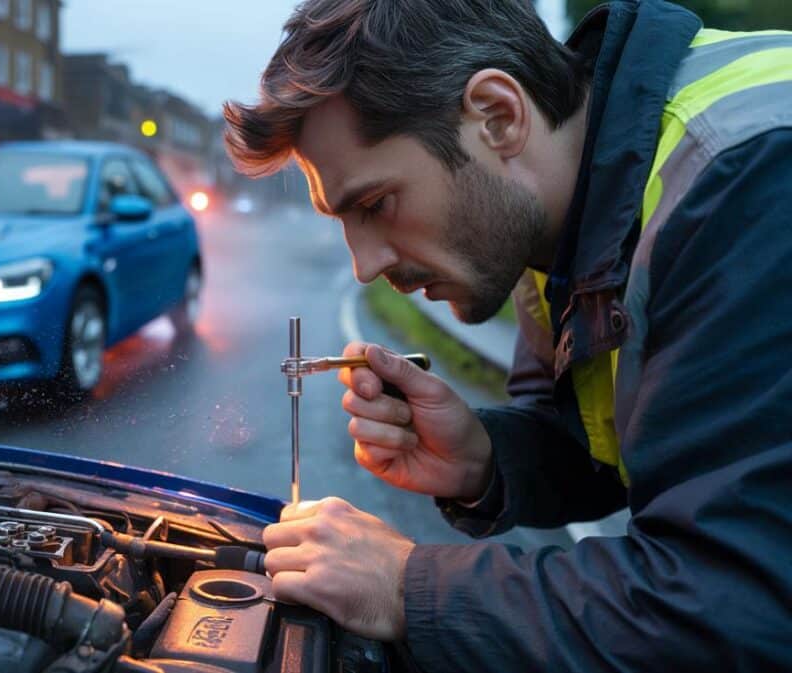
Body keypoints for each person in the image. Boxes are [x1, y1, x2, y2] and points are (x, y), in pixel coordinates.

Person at [222, 0, 792, 669]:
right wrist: (486, 460)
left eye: (376, 204)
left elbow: (734, 605)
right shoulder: (566, 211)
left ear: (497, 114)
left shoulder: (744, 182)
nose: (365, 265)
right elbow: (657, 444)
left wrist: (407, 586)